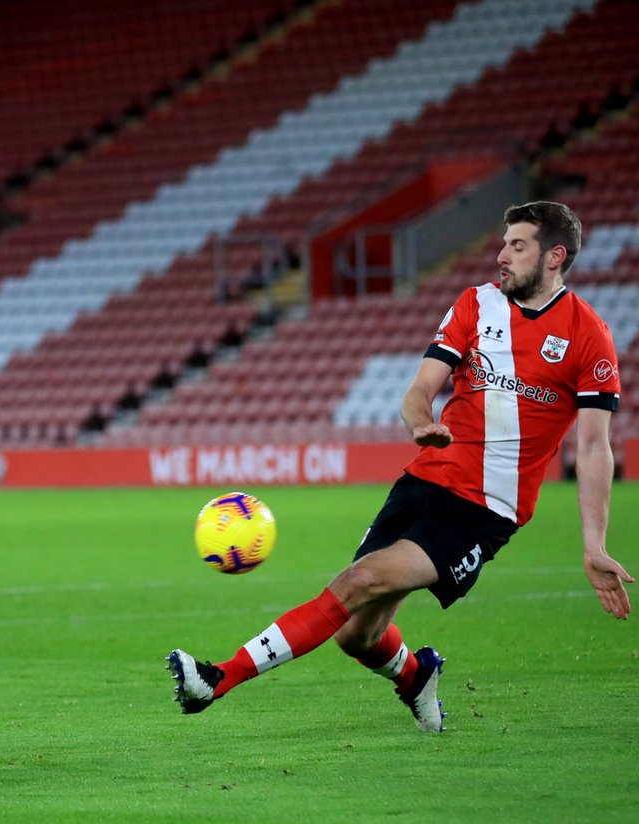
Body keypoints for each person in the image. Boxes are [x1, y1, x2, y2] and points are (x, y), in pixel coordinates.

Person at [167, 201, 631, 732]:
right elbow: (418, 392)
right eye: (502, 242)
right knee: (354, 634)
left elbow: (594, 447)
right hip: (424, 480)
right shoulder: (475, 305)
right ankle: (415, 676)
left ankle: (217, 678)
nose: (500, 255)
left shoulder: (588, 334)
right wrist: (419, 423)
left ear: (555, 256)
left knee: (359, 580)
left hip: (484, 509)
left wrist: (594, 545)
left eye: (516, 245)